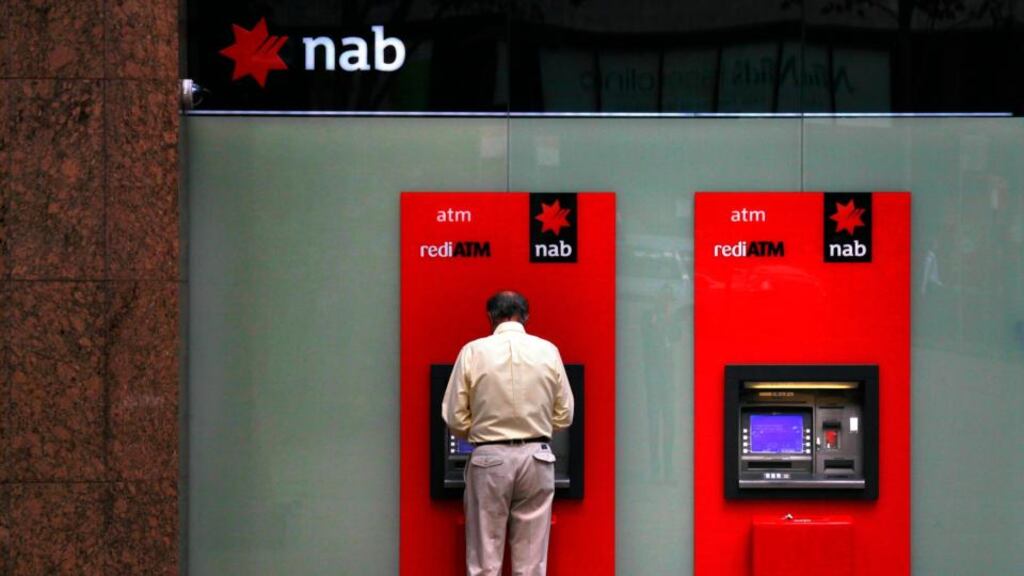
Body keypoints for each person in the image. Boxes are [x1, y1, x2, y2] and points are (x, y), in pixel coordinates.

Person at [442, 291, 574, 576]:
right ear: (526, 316)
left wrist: (480, 434)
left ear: (490, 316)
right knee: (531, 562)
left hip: (489, 458)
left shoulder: (473, 351)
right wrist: (536, 432)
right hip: (537, 458)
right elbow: (565, 413)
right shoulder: (548, 351)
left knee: (485, 560)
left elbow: (453, 415)